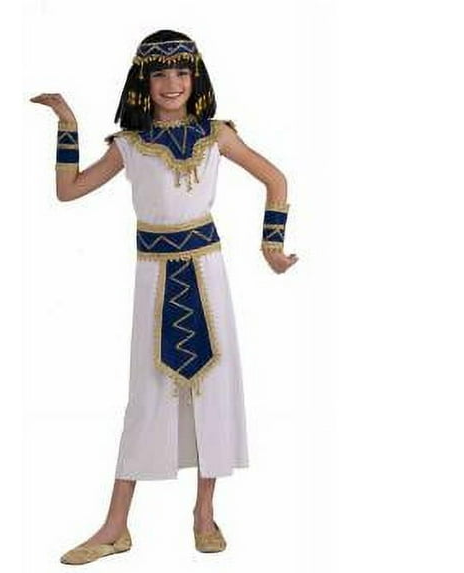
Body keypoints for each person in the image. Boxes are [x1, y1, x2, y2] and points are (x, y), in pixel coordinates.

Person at [30, 28, 298, 565]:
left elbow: (275, 179)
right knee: (147, 395)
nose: (171, 83)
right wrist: (67, 124)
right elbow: (68, 190)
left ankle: (204, 513)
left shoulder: (217, 135)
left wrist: (271, 244)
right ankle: (115, 526)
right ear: (143, 82)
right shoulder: (130, 144)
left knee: (214, 390)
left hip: (208, 275)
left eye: (181, 72)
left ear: (195, 78)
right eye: (159, 74)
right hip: (153, 280)